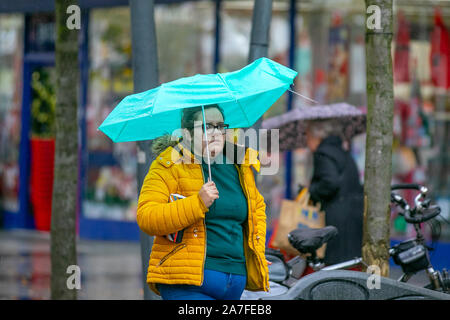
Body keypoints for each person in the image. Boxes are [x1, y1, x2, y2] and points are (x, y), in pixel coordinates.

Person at [137, 104, 269, 300]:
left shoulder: (239, 164)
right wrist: (197, 203)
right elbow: (147, 216)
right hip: (187, 284)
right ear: (188, 133)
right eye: (207, 127)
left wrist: (257, 251)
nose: (216, 132)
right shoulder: (169, 165)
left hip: (235, 281)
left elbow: (256, 209)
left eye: (220, 126)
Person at [299, 119, 364, 266]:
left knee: (335, 264)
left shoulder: (323, 153)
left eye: (308, 135)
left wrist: (311, 189)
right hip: (353, 213)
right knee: (350, 263)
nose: (306, 139)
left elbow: (330, 182)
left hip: (336, 217)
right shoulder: (342, 151)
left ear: (317, 136)